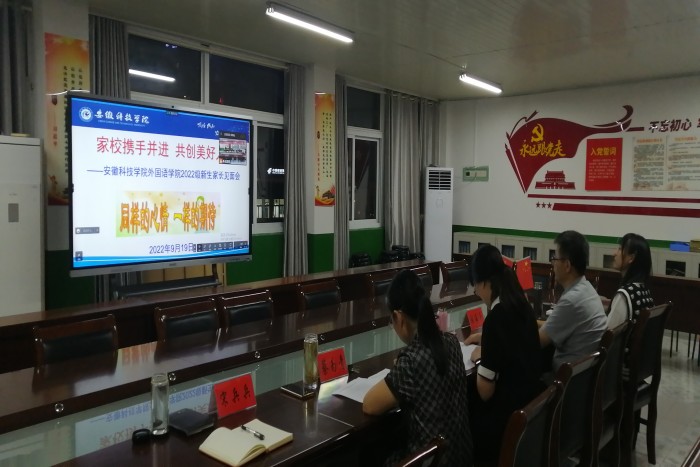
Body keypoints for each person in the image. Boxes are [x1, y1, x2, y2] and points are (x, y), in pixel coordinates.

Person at [363, 269, 473, 466]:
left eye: (391, 320)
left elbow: (370, 405)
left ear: (399, 317)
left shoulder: (410, 362)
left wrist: (401, 368)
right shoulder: (451, 342)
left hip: (430, 462)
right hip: (461, 458)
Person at [463, 244, 543, 462]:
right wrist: (487, 341)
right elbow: (511, 342)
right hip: (531, 410)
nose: (476, 292)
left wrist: (480, 357)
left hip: (506, 420)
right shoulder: (521, 304)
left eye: (475, 285)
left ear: (483, 282)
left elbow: (485, 391)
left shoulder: (496, 317)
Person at [539, 230, 608, 375]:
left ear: (567, 265)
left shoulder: (572, 300)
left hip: (566, 381)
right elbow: (552, 325)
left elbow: (538, 341)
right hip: (584, 375)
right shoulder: (586, 289)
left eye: (555, 258)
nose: (553, 264)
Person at [606, 233, 655, 328]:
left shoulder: (624, 295)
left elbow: (608, 333)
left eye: (620, 249)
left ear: (631, 258)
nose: (614, 253)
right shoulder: (644, 289)